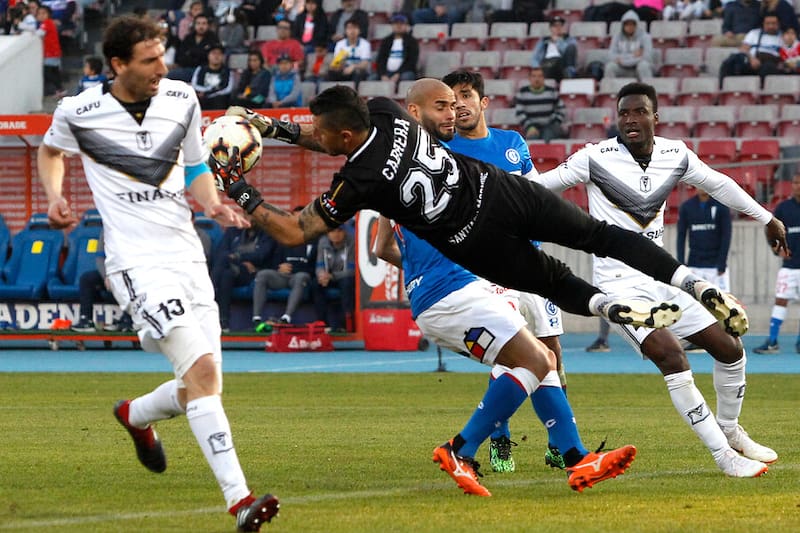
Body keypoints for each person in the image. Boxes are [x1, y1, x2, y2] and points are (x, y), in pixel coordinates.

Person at [214, 81, 772, 340]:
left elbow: (293, 229)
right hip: (499, 190)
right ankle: (690, 283)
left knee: (553, 281)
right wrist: (273, 127)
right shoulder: (384, 109)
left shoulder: (355, 180)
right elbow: (330, 132)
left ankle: (608, 307)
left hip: (471, 238)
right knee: (601, 235)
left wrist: (240, 188)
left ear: (342, 134)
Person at [36, 15, 278, 531]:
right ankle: (241, 502)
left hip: (187, 256)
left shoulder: (181, 98)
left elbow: (194, 167)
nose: (161, 68)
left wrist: (212, 205)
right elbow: (51, 150)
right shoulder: (80, 110)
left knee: (202, 388)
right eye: (149, 60)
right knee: (203, 376)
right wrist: (55, 197)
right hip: (136, 264)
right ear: (118, 64)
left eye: (162, 56)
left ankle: (135, 416)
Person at [536, 81, 783, 477]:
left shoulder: (676, 153)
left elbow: (719, 184)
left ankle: (731, 430)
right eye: (623, 113)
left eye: (638, 112)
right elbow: (542, 185)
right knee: (672, 356)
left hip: (662, 278)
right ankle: (724, 457)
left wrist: (767, 217)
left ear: (655, 117)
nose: (630, 120)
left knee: (730, 347)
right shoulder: (594, 157)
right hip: (618, 286)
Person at [374, 215, 636, 495]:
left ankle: (577, 457)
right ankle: (460, 450)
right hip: (457, 292)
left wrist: (421, 271)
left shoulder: (390, 192)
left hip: (439, 293)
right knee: (536, 359)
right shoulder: (449, 178)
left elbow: (381, 249)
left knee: (541, 358)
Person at [440, 69, 569, 472]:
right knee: (508, 352)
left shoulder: (512, 143)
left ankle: (557, 443)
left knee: (553, 354)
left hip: (532, 262)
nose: (458, 104)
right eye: (451, 98)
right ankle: (500, 441)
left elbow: (534, 193)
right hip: (488, 269)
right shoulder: (445, 153)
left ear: (483, 102)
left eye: (465, 95)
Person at [754, 174, 800, 354]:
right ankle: (772, 341)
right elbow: (769, 227)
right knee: (781, 300)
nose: (798, 186)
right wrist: (776, 248)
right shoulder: (783, 208)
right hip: (789, 267)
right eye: (795, 182)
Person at [252, 207, 316, 327]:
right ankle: (256, 317)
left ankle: (286, 317)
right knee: (263, 275)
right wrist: (278, 267)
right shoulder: (283, 236)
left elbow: (315, 266)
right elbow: (273, 259)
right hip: (282, 276)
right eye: (296, 218)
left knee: (301, 277)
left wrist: (298, 269)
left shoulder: (314, 239)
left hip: (301, 277)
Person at [211, 224, 275, 332]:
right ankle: (223, 322)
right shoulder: (233, 231)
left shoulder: (267, 233)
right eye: (245, 214)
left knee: (224, 263)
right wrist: (240, 260)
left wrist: (237, 257)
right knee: (226, 275)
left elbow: (261, 255)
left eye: (250, 215)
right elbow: (221, 252)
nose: (247, 218)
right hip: (232, 269)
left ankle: (210, 290)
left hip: (253, 272)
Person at [71, 230, 133, 332]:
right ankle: (86, 320)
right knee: (87, 279)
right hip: (110, 273)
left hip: (129, 272)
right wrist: (106, 276)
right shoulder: (106, 230)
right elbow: (100, 257)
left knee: (129, 280)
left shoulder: (130, 229)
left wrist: (117, 276)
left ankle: (128, 320)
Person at [677, 188, 733, 293]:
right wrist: (681, 263)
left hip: (715, 266)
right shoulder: (687, 207)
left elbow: (726, 236)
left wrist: (721, 263)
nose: (702, 187)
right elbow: (681, 236)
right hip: (694, 265)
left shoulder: (721, 207)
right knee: (693, 303)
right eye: (699, 183)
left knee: (722, 303)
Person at [313, 224, 355, 331]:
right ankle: (322, 323)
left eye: (339, 231)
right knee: (315, 284)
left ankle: (343, 325)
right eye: (332, 231)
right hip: (328, 277)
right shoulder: (323, 242)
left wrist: (333, 276)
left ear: (344, 232)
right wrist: (322, 275)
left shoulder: (351, 242)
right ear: (328, 233)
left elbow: (352, 270)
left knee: (347, 283)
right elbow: (319, 265)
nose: (336, 234)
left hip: (344, 276)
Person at [719, 14, 784, 83]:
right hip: (752, 59)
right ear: (763, 24)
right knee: (731, 61)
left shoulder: (783, 37)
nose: (771, 26)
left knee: (768, 67)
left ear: (778, 24)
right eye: (768, 23)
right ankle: (723, 87)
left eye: (773, 24)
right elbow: (744, 48)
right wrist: (751, 59)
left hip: (770, 61)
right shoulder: (754, 33)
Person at [514, 67, 567, 142]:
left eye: (540, 76)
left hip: (549, 125)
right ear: (529, 78)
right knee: (532, 141)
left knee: (549, 137)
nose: (537, 79)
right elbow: (519, 113)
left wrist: (556, 122)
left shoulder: (552, 92)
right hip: (531, 126)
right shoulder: (522, 93)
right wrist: (529, 126)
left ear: (543, 78)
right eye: (534, 76)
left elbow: (561, 109)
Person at [604, 9, 655, 80]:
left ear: (636, 25)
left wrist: (622, 59)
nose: (629, 27)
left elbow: (647, 57)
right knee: (610, 67)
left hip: (637, 68)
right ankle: (610, 90)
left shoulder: (645, 37)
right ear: (623, 25)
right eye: (627, 24)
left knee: (644, 65)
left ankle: (647, 90)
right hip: (622, 68)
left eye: (632, 24)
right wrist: (633, 56)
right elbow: (611, 56)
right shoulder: (617, 37)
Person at [373, 12, 418, 87]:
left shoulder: (412, 42)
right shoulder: (386, 41)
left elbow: (411, 62)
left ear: (406, 25)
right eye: (396, 23)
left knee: (406, 76)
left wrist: (398, 74)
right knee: (372, 78)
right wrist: (383, 75)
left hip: (403, 72)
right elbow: (380, 60)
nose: (398, 26)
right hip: (386, 72)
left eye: (401, 23)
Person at [530, 16, 578, 82]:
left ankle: (568, 76)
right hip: (547, 63)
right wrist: (537, 68)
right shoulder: (544, 40)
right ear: (550, 28)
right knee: (547, 65)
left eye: (560, 25)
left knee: (569, 49)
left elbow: (569, 53)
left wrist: (558, 41)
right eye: (555, 26)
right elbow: (535, 57)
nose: (558, 28)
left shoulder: (570, 40)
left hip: (562, 65)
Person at [327, 19, 371, 85]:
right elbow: (336, 63)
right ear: (345, 31)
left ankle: (354, 93)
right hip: (344, 69)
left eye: (355, 28)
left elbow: (364, 64)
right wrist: (341, 64)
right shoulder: (340, 44)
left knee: (357, 73)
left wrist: (353, 67)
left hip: (358, 70)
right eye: (349, 28)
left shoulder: (365, 44)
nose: (352, 31)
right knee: (331, 73)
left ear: (359, 31)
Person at [191, 43, 235, 109]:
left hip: (219, 100)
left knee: (220, 99)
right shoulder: (201, 69)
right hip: (202, 98)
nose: (216, 56)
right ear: (208, 56)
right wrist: (205, 92)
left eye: (219, 54)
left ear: (223, 56)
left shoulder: (228, 71)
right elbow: (194, 85)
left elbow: (228, 89)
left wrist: (209, 93)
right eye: (214, 53)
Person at [36, 4, 64, 97]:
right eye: (39, 13)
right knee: (54, 72)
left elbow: (39, 33)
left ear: (49, 14)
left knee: (48, 72)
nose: (41, 15)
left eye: (44, 13)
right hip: (54, 51)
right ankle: (60, 89)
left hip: (51, 52)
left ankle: (58, 89)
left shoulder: (46, 23)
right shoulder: (48, 23)